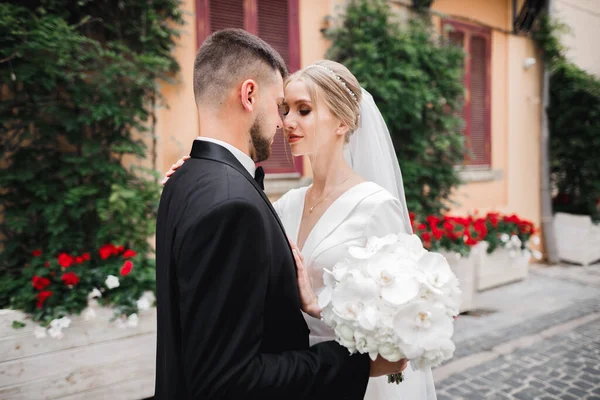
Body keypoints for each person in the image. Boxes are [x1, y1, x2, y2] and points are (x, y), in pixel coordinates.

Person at [154, 29, 408, 400]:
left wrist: (321, 310)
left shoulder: (375, 207)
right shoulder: (282, 204)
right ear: (249, 95)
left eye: (303, 110)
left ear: (342, 122)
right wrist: (205, 172)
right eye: (283, 108)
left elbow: (395, 319)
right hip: (300, 380)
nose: (285, 121)